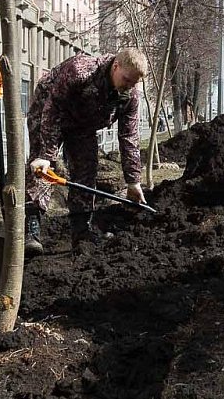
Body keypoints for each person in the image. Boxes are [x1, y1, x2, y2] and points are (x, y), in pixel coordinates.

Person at [25, 49, 149, 255]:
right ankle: (31, 231)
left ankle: (81, 232)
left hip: (83, 125)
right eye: (127, 80)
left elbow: (129, 137)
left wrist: (133, 181)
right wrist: (46, 155)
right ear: (116, 66)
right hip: (48, 112)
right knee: (43, 169)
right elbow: (53, 108)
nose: (129, 86)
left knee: (86, 169)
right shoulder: (81, 71)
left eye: (134, 83)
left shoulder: (130, 97)